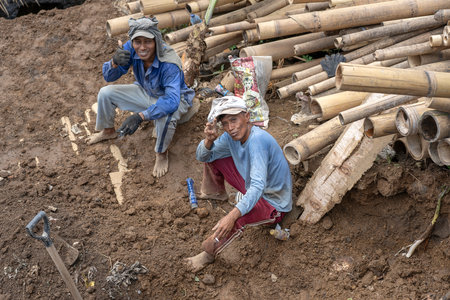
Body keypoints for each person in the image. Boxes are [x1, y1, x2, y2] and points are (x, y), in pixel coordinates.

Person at [185, 96, 292, 272]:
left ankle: (208, 254)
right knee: (212, 155)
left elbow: (257, 186)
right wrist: (209, 140)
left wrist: (232, 215)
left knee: (236, 219)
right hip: (255, 187)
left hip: (274, 203)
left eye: (234, 120)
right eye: (225, 124)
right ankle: (217, 192)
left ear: (247, 116)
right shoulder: (230, 138)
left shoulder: (257, 141)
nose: (230, 128)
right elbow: (202, 156)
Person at [86, 16, 195, 178]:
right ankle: (108, 131)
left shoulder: (169, 63)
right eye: (138, 42)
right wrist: (114, 63)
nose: (142, 47)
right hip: (146, 91)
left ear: (156, 41)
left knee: (166, 118)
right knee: (106, 93)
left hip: (174, 99)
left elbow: (172, 102)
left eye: (148, 42)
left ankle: (161, 153)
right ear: (133, 41)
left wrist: (141, 116)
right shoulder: (130, 47)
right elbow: (109, 77)